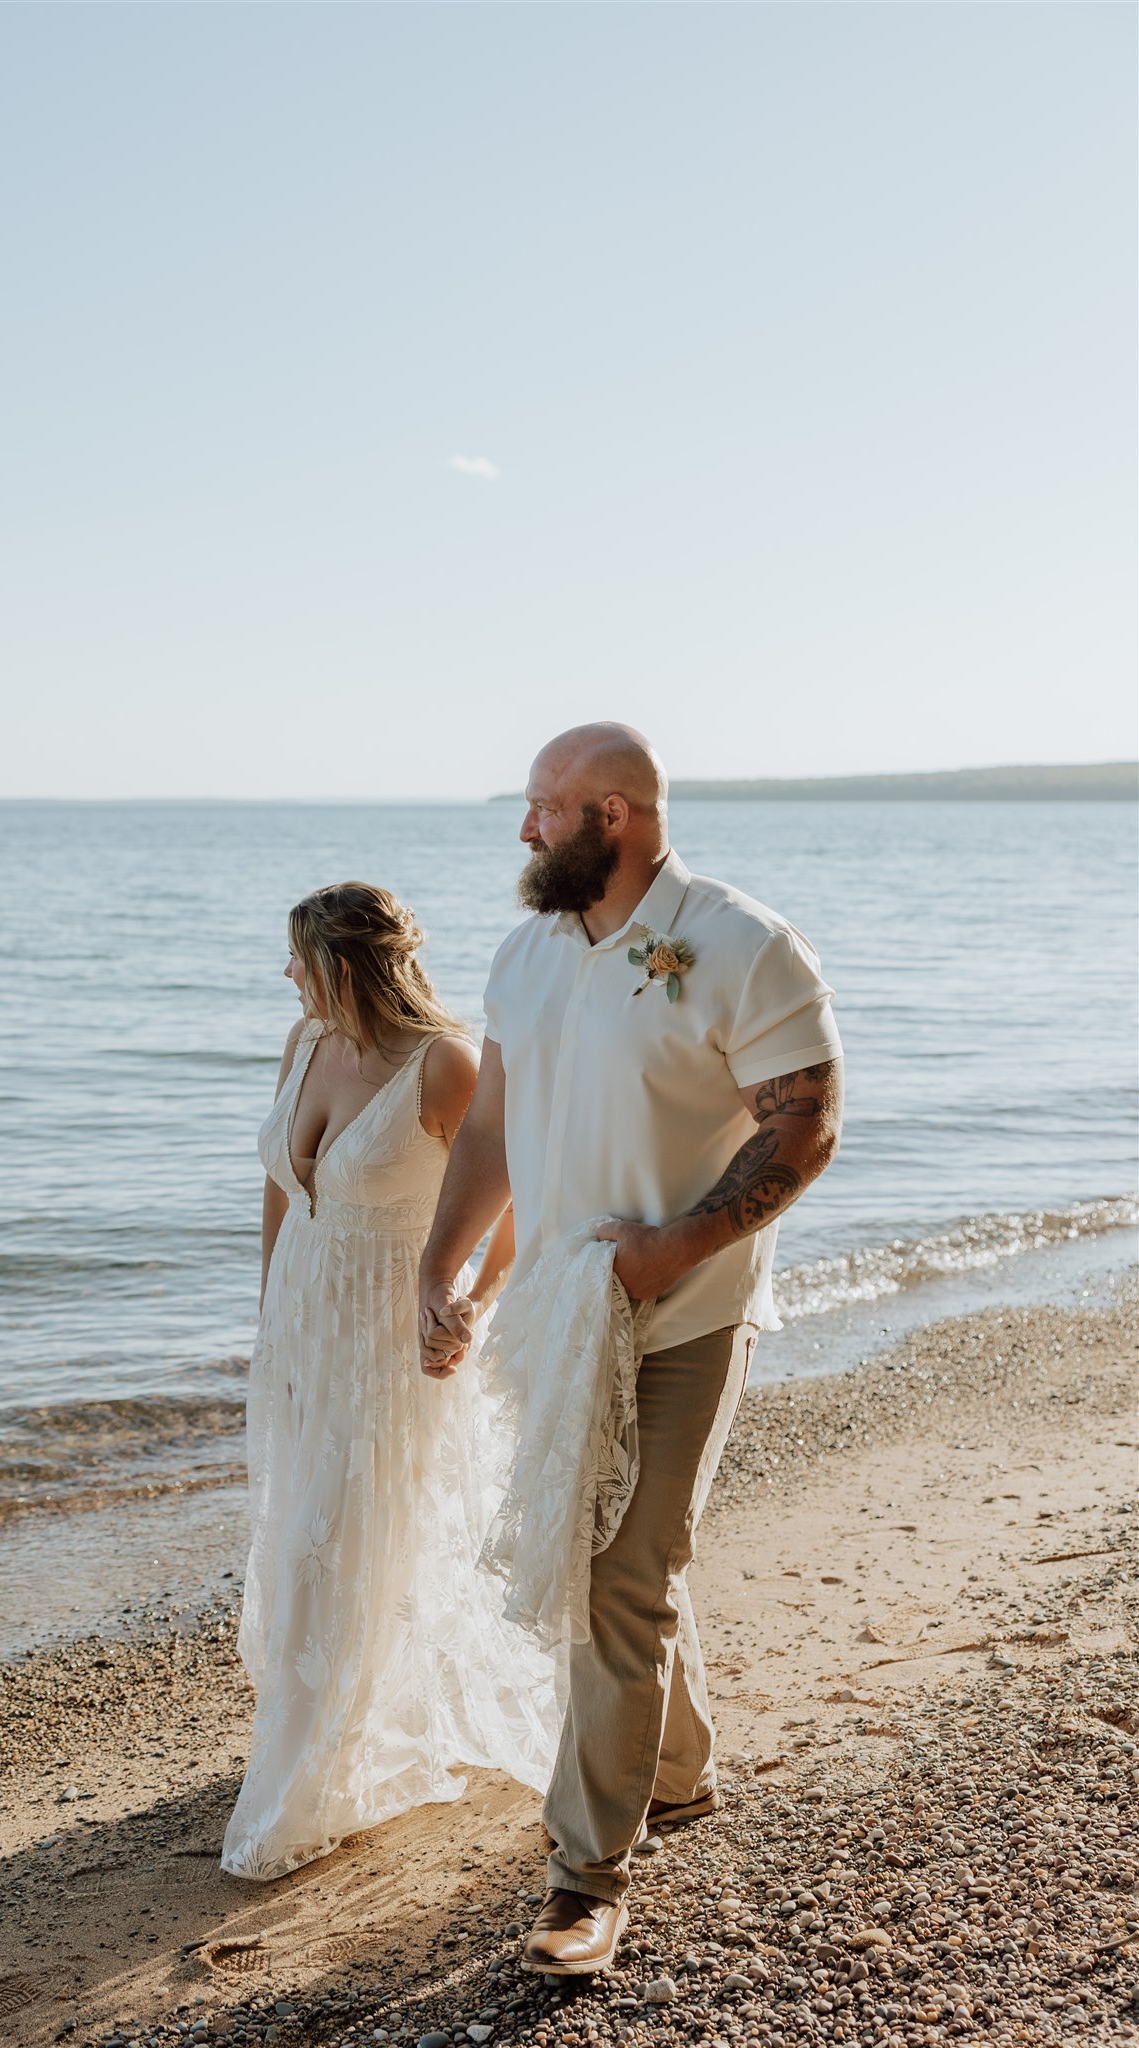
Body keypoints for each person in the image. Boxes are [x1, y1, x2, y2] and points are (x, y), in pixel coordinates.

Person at [419, 724, 843, 1974]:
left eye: (543, 808)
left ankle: (583, 1879)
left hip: (687, 1312)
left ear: (613, 814)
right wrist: (440, 1264)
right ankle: (681, 1768)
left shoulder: (741, 941)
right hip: (559, 1308)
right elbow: (493, 1119)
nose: (523, 831)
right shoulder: (526, 952)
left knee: (615, 1571)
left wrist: (682, 1243)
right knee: (625, 1547)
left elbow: (807, 1120)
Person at [221, 881, 557, 1881]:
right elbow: (283, 1189)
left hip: (389, 1339)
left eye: (298, 957)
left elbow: (519, 1203)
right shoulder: (304, 1042)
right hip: (305, 1324)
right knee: (300, 1529)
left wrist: (467, 1301)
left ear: (343, 964)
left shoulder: (442, 1064)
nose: (285, 975)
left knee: (351, 1534)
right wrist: (269, 1323)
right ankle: (321, 1718)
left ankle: (325, 1760)